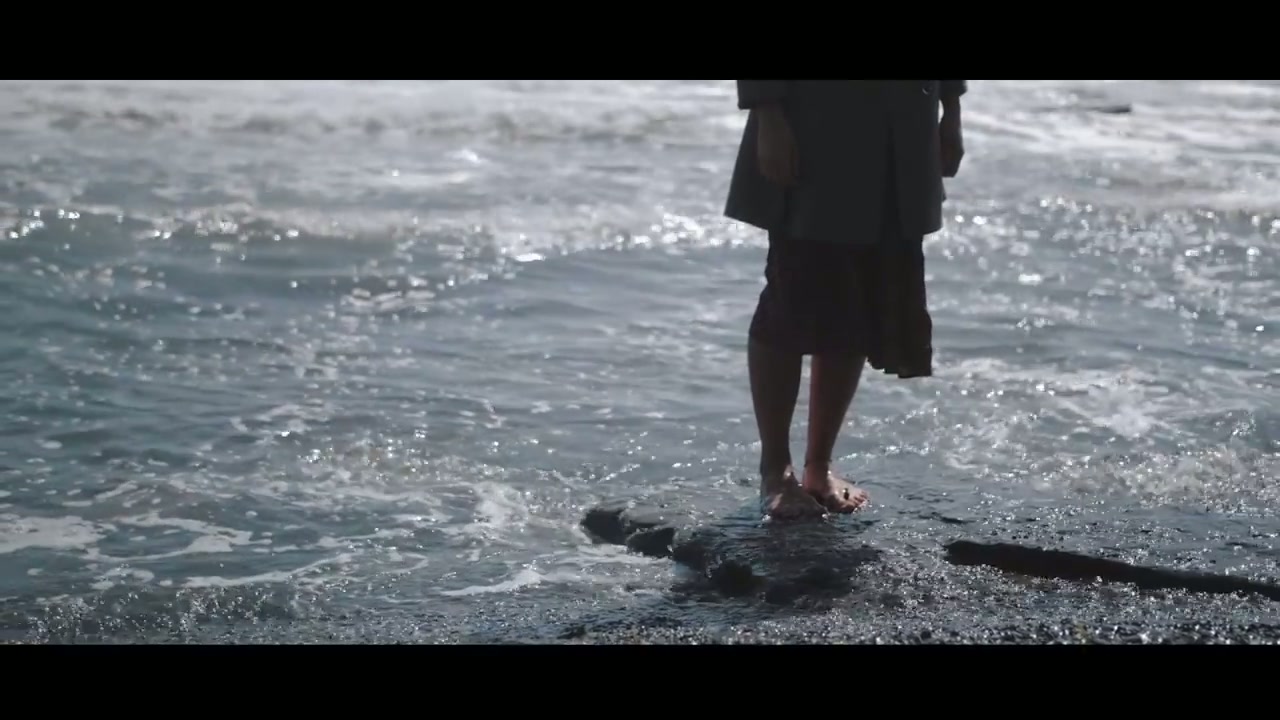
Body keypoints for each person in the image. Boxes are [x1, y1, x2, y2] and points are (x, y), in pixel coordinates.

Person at [724, 80, 967, 520]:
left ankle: (818, 467)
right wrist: (768, 113)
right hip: (815, 116)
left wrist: (951, 110)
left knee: (861, 295)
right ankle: (775, 471)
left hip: (906, 118)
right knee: (792, 294)